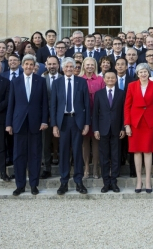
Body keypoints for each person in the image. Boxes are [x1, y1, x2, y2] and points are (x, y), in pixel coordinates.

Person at [6, 55, 49, 196]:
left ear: (34, 66)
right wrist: (9, 124)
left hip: (36, 123)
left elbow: (44, 104)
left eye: (31, 64)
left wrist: (44, 121)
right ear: (22, 65)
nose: (29, 67)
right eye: (27, 64)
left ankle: (33, 185)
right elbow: (11, 104)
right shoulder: (15, 82)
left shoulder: (41, 81)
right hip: (19, 123)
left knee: (35, 155)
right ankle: (20, 185)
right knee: (19, 155)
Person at [50, 57, 91, 195]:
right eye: (66, 67)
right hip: (63, 122)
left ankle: (79, 181)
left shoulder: (81, 82)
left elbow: (87, 104)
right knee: (63, 152)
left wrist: (86, 123)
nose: (68, 69)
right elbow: (53, 105)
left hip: (77, 121)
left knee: (77, 152)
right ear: (62, 68)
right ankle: (64, 182)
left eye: (71, 67)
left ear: (75, 68)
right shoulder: (57, 83)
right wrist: (54, 125)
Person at [124, 63, 153, 193]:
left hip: (149, 122)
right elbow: (127, 106)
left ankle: (147, 181)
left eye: (145, 71)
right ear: (137, 74)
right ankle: (139, 181)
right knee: (136, 151)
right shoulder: (131, 86)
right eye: (141, 72)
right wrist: (127, 125)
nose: (143, 74)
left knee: (148, 151)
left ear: (148, 73)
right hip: (135, 123)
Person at [93, 71, 126, 193]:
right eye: (108, 78)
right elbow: (95, 113)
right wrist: (95, 129)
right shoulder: (99, 94)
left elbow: (124, 112)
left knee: (116, 156)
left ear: (116, 79)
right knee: (104, 157)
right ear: (104, 80)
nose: (110, 79)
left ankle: (114, 182)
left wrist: (123, 128)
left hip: (117, 129)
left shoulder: (121, 93)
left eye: (113, 77)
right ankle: (106, 182)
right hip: (103, 129)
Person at [79, 56, 106, 179]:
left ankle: (95, 168)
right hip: (83, 115)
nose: (90, 67)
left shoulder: (100, 79)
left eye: (92, 64)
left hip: (97, 115)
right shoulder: (79, 79)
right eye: (87, 64)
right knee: (85, 143)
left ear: (95, 66)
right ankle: (86, 168)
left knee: (96, 142)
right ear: (83, 66)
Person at [40, 56, 62, 179]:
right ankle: (46, 169)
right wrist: (47, 116)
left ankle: (64, 168)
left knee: (63, 143)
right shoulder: (42, 79)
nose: (52, 66)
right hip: (46, 117)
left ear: (58, 65)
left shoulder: (64, 78)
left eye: (54, 64)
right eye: (50, 64)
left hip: (62, 117)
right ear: (46, 65)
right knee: (45, 144)